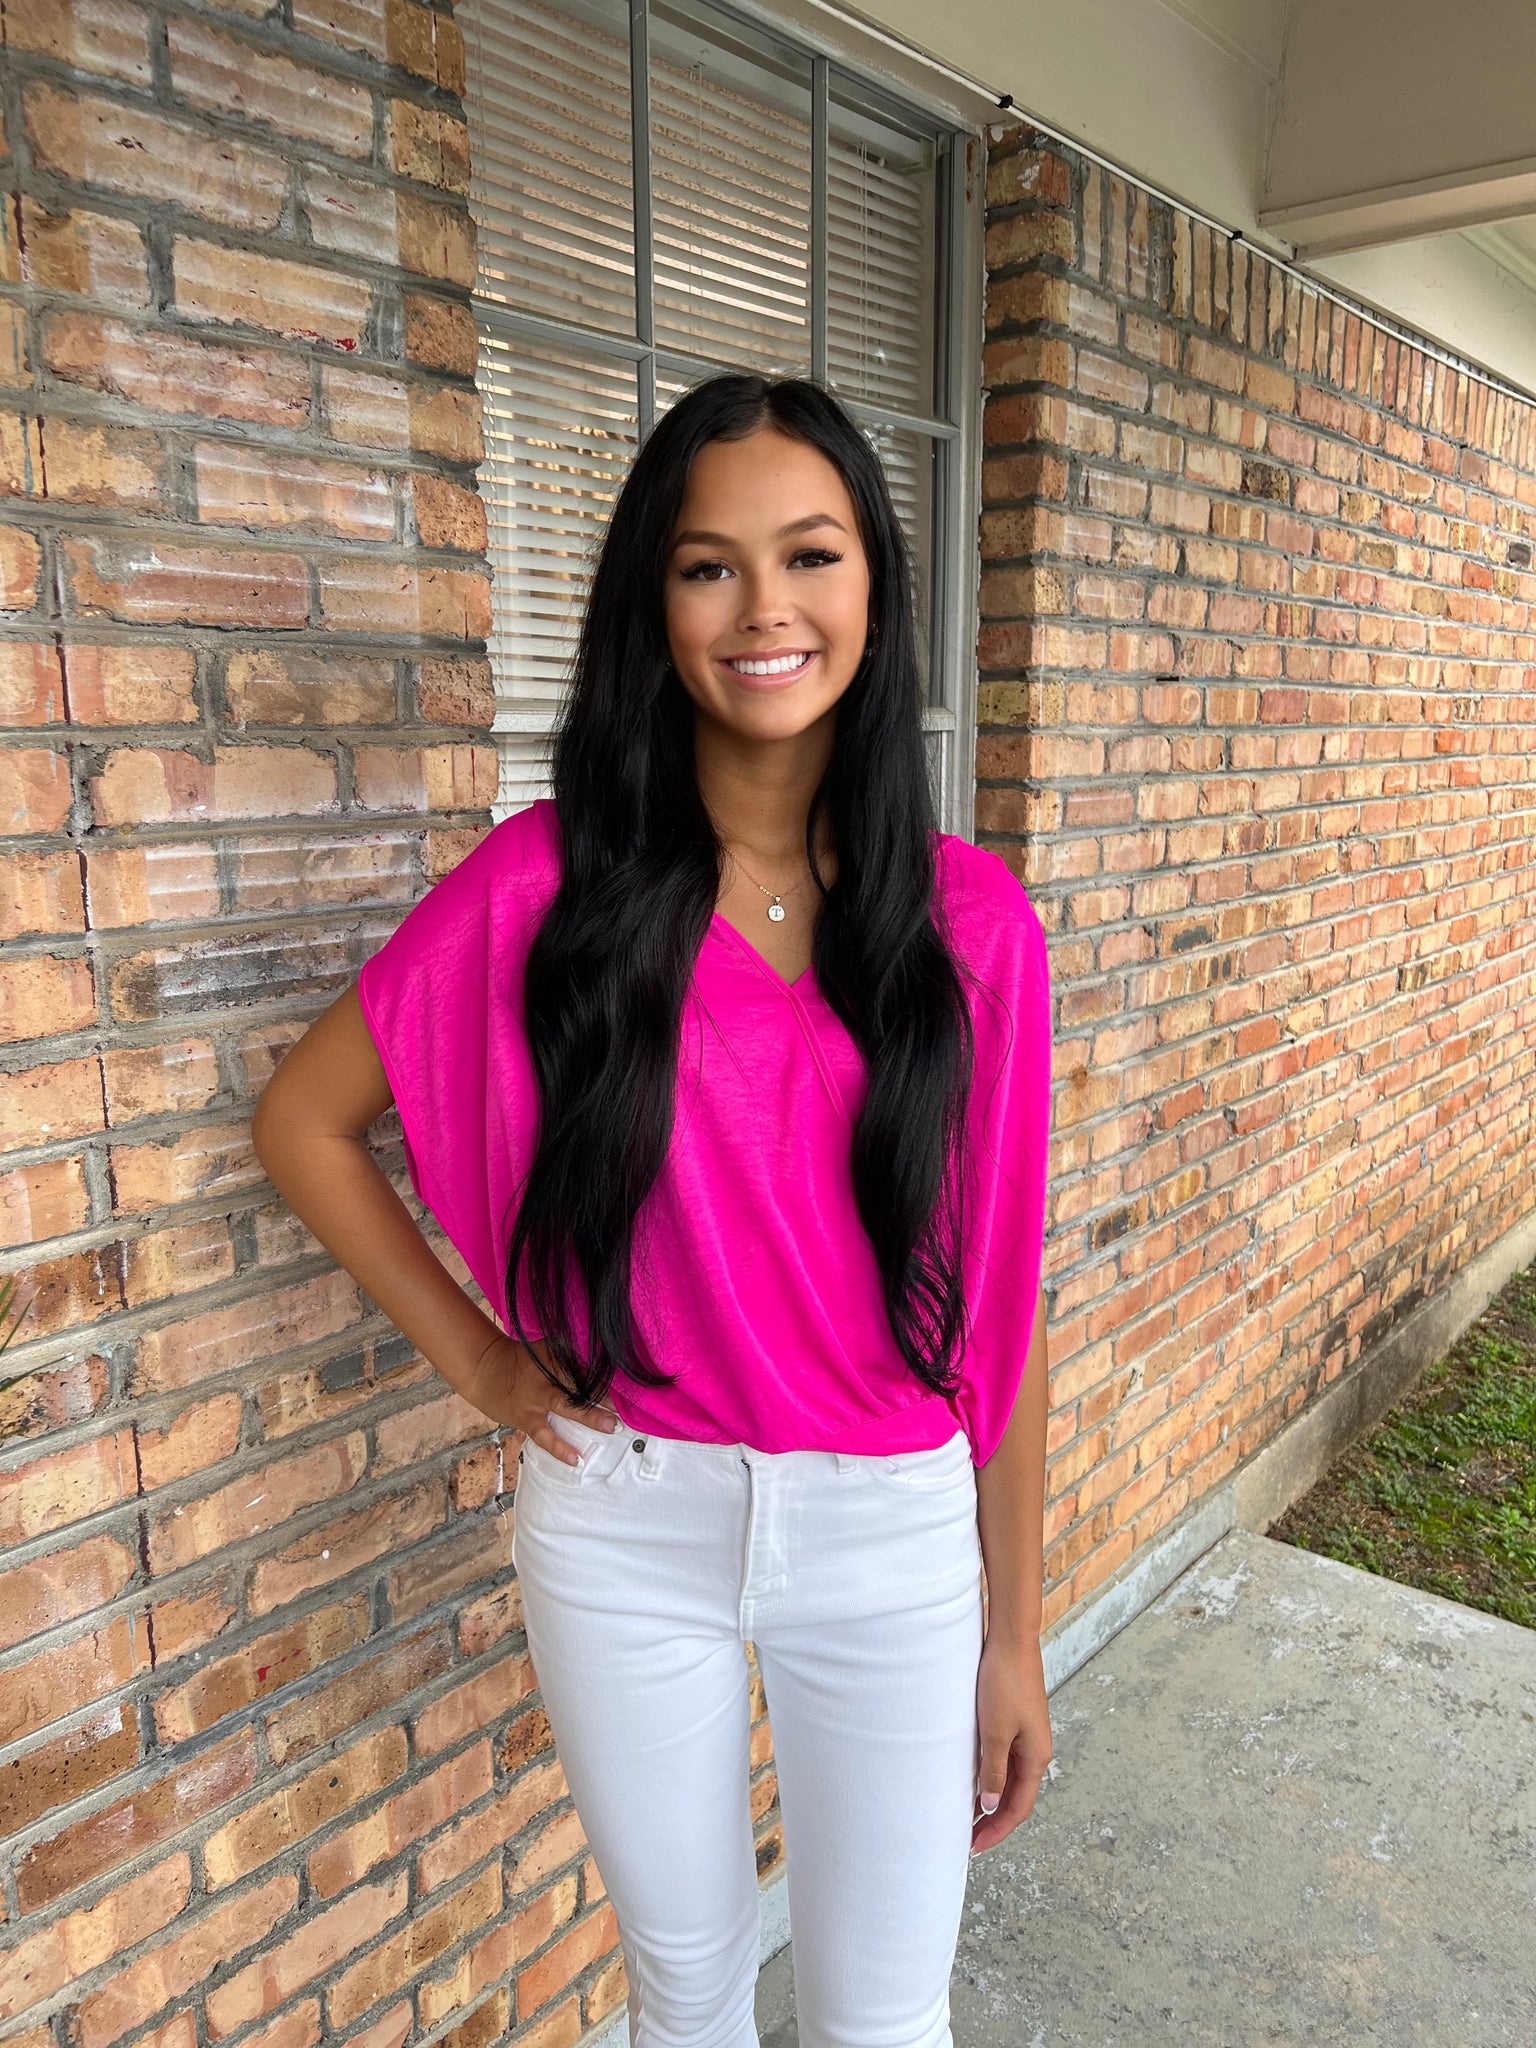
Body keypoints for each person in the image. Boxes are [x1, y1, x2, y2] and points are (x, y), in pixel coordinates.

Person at [252, 371, 1054, 2048]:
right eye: (708, 566)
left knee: (882, 2015)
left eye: (811, 555)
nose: (765, 608)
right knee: (683, 1991)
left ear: (874, 588)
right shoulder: (541, 890)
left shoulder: (973, 927)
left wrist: (1014, 1634)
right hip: (629, 1527)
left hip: (893, 1538)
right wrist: (486, 1368)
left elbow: (1003, 1299)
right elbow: (306, 1124)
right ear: (654, 603)